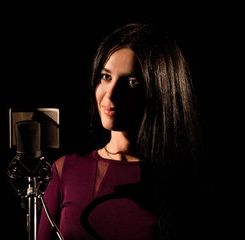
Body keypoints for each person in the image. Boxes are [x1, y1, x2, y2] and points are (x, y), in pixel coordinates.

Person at [37, 23, 203, 240]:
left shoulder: (185, 182)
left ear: (161, 90)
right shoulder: (65, 171)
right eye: (106, 77)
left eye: (132, 82)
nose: (110, 95)